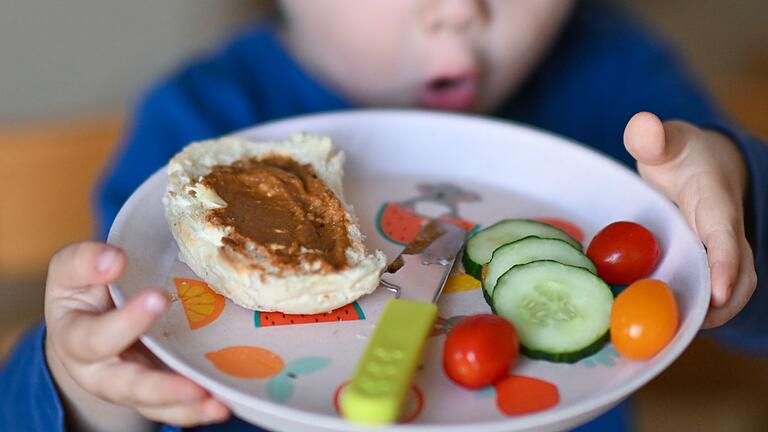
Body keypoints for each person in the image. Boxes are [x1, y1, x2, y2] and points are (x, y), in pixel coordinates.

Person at [2, 1, 766, 431]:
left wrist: (735, 202)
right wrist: (88, 395)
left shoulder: (618, 81)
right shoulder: (198, 125)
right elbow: (98, 364)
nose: (460, 12)